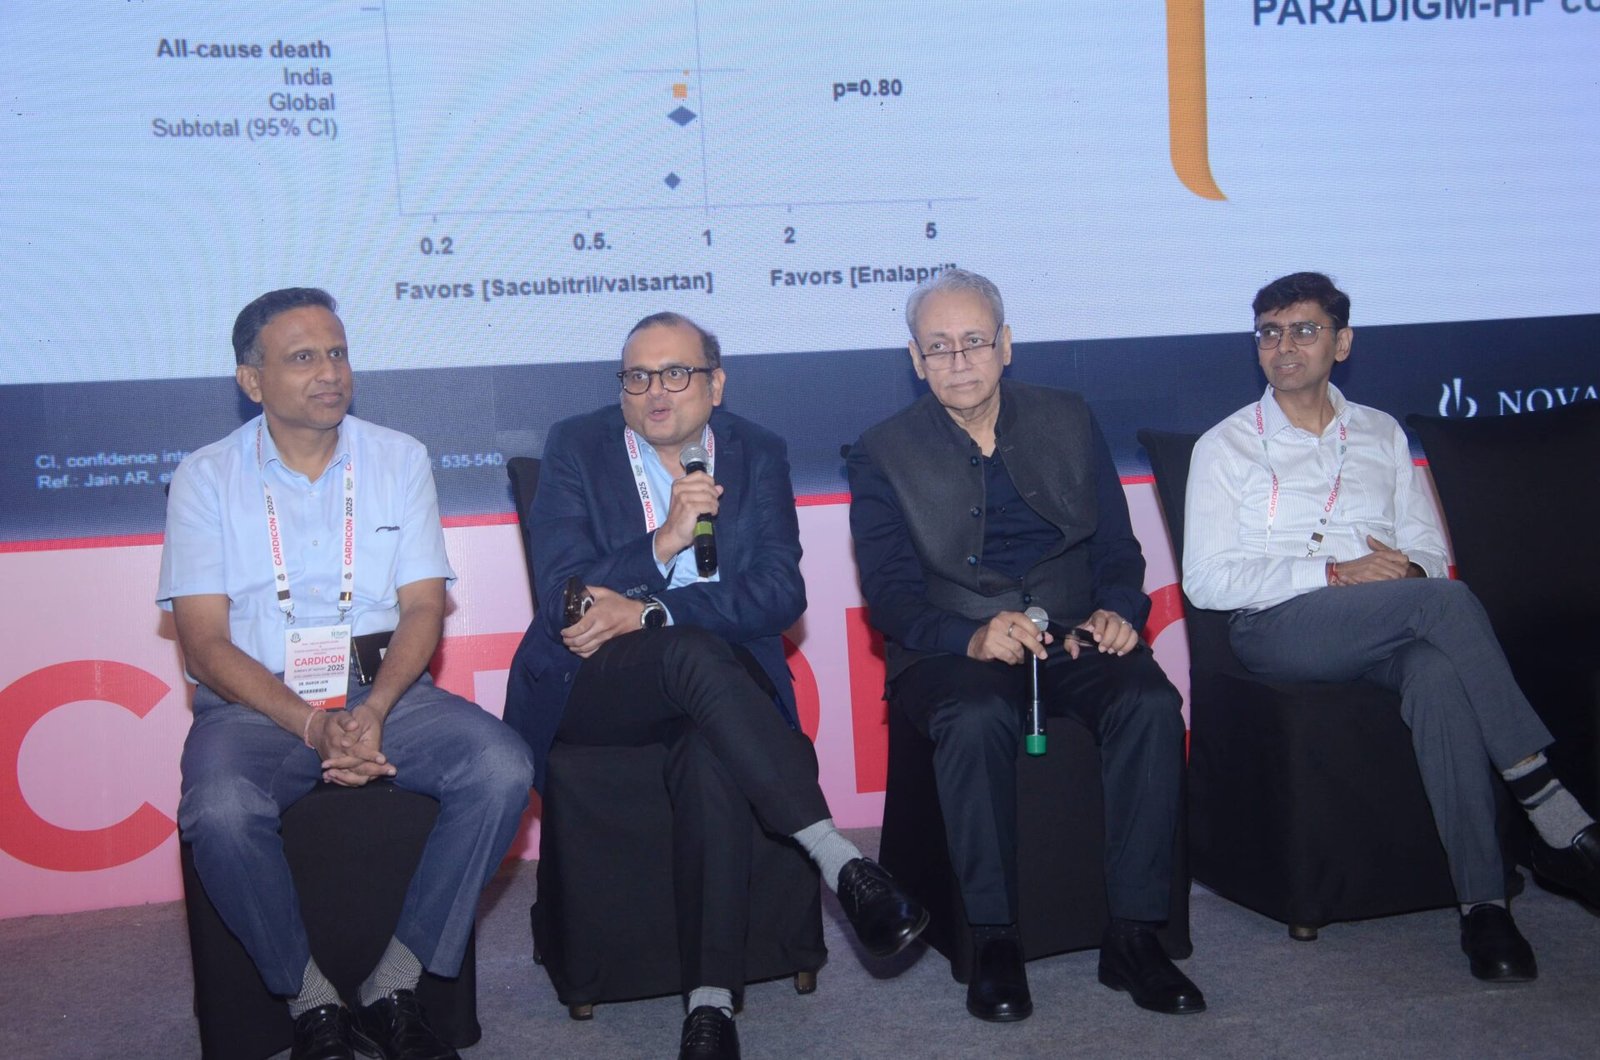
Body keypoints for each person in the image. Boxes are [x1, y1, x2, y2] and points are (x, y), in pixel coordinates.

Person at [502, 311, 927, 1060]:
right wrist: (662, 543)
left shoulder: (757, 451)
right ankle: (841, 860)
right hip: (595, 681)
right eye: (637, 377)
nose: (655, 392)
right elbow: (564, 595)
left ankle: (710, 1009)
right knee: (692, 650)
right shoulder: (578, 444)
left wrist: (651, 610)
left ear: (716, 384)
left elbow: (779, 594)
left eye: (676, 373)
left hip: (716, 682)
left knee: (708, 749)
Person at [1184, 270, 1600, 981]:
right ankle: (1544, 799)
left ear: (1342, 343)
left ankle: (1483, 905)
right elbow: (1206, 581)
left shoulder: (1381, 433)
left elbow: (1429, 552)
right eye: (1270, 333)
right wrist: (1333, 572)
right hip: (1278, 628)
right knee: (1447, 604)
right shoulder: (1224, 446)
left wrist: (1404, 571)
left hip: (1382, 621)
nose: (1284, 346)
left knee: (1437, 673)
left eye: (1304, 330)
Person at [159, 288, 534, 1060]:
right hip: (255, 703)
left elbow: (422, 607)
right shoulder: (206, 476)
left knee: (502, 766)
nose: (330, 372)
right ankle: (312, 1000)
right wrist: (311, 724)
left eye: (337, 353)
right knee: (220, 812)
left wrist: (377, 707)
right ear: (252, 380)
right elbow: (203, 645)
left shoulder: (398, 457)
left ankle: (393, 983)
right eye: (303, 357)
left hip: (381, 690)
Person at [846, 269, 1204, 1022]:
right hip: (950, 646)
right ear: (914, 359)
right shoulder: (882, 451)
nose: (959, 361)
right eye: (938, 347)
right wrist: (971, 635)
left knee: (1148, 701)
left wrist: (1118, 610)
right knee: (975, 718)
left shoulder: (1069, 417)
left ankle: (1135, 935)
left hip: (1073, 631)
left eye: (975, 341)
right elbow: (891, 596)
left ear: (1006, 345)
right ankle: (994, 941)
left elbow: (1118, 549)